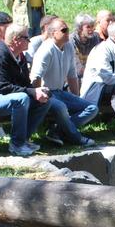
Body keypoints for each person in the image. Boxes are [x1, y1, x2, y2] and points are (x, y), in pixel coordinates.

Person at [0, 23, 52, 156]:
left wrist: (38, 91)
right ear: (16, 40)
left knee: (44, 100)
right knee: (21, 99)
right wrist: (31, 92)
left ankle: (24, 140)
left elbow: (25, 83)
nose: (29, 40)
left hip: (10, 98)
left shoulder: (20, 56)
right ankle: (16, 145)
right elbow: (3, 87)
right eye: (26, 38)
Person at [30, 17, 97, 148]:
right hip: (47, 93)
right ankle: (76, 138)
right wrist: (39, 97)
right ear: (53, 33)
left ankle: (57, 131)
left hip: (60, 92)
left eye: (67, 30)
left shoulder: (68, 47)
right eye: (63, 30)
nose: (67, 33)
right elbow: (35, 77)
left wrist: (76, 97)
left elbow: (72, 75)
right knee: (61, 107)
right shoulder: (46, 50)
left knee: (92, 108)